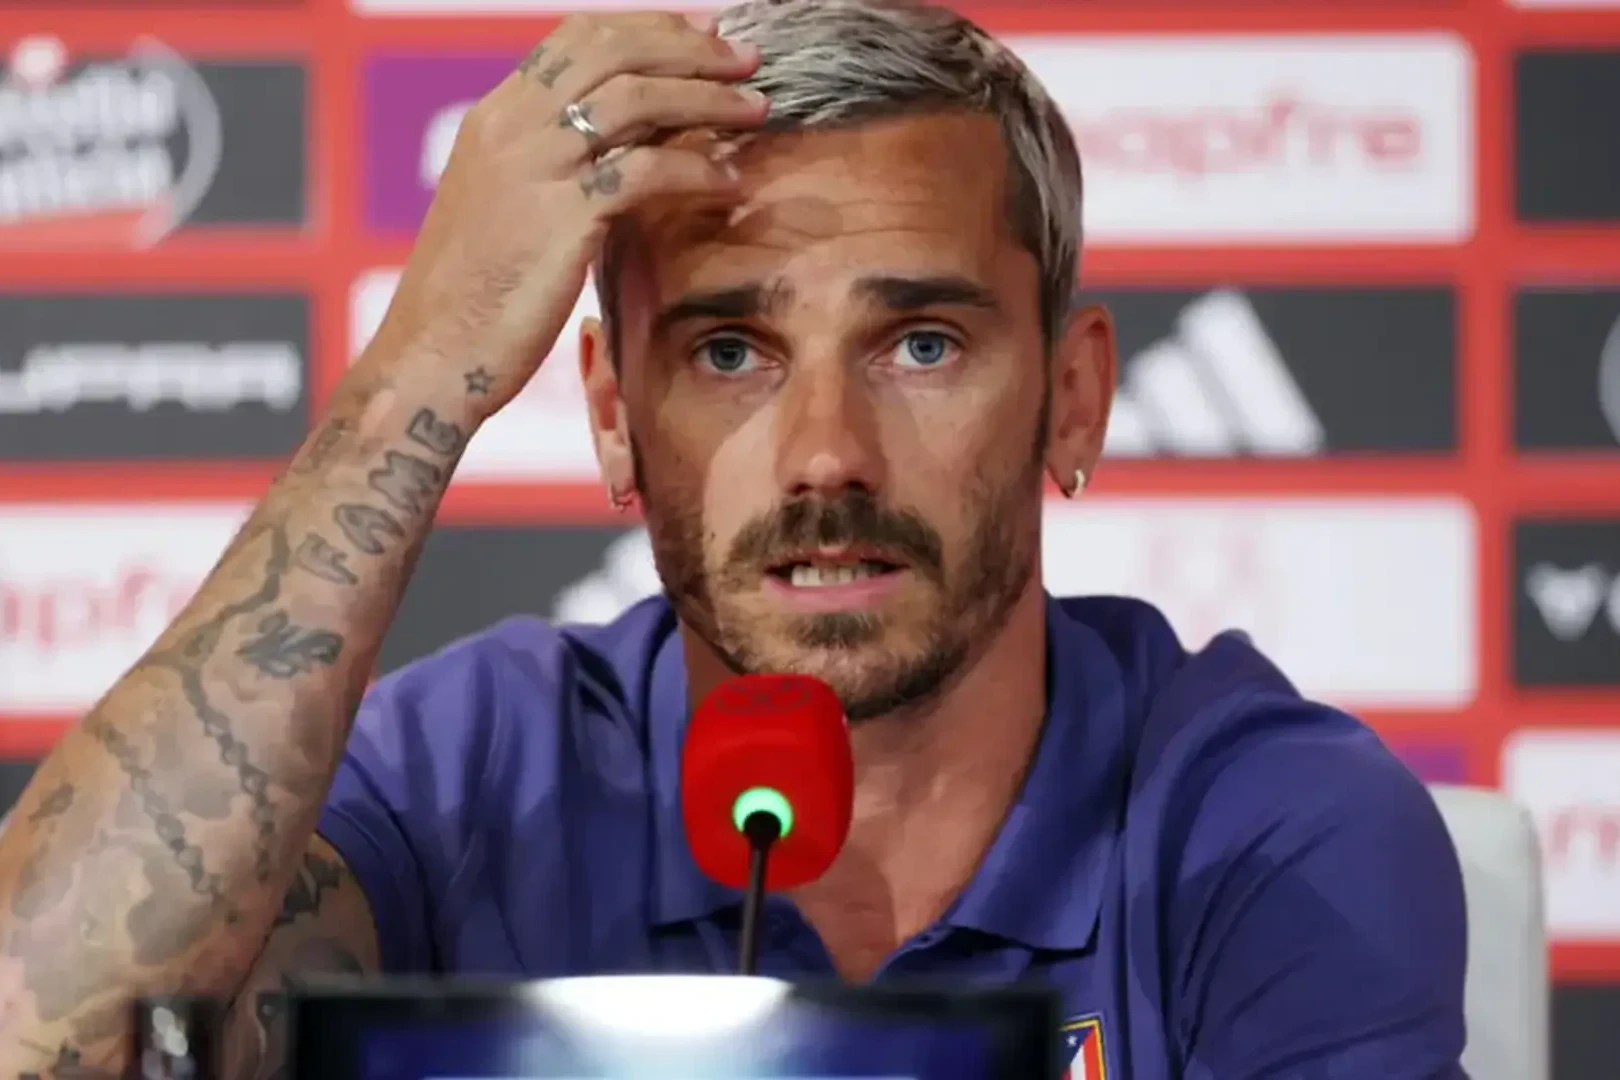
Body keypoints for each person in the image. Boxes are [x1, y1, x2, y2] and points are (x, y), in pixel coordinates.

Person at [0, 1, 1469, 1077]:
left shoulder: (1272, 834)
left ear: (1072, 397)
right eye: (728, 353)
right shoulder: (474, 779)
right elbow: (38, 1036)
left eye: (922, 344)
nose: (827, 453)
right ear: (613, 416)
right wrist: (416, 372)